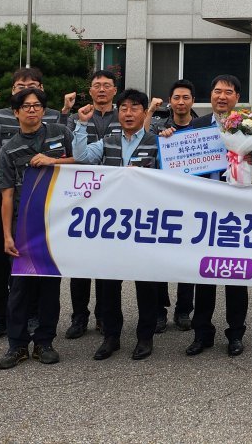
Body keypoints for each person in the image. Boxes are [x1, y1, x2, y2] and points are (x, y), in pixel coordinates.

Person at [0, 67, 66, 343]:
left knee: (35, 258)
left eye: (33, 85)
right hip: (4, 193)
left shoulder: (53, 116)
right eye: (20, 86)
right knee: (0, 257)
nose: (26, 90)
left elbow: (74, 156)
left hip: (45, 196)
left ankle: (32, 315)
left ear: (42, 92)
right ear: (12, 92)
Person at [71, 88, 165, 361]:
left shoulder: (155, 142)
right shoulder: (107, 142)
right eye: (123, 108)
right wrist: (81, 125)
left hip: (144, 224)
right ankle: (111, 336)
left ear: (144, 112)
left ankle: (145, 338)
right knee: (108, 284)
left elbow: (171, 178)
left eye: (135, 107)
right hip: (111, 226)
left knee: (146, 285)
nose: (128, 112)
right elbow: (81, 159)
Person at [185, 74, 252, 358]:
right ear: (210, 95)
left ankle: (235, 333)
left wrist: (245, 163)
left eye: (229, 92)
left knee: (236, 274)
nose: (222, 96)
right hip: (204, 211)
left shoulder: (249, 125)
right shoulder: (195, 126)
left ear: (237, 98)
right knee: (204, 273)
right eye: (217, 91)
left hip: (235, 212)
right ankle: (202, 333)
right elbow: (181, 163)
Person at [0, 87, 76, 369]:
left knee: (49, 288)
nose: (32, 109)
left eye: (37, 105)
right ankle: (17, 346)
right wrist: (7, 234)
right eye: (26, 106)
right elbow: (5, 196)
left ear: (44, 109)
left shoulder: (59, 134)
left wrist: (55, 160)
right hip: (24, 227)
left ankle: (44, 342)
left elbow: (82, 163)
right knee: (19, 289)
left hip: (56, 225)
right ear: (15, 112)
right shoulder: (8, 149)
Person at [64, 69, 123, 340]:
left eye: (107, 85)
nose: (101, 89)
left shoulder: (124, 117)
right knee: (81, 262)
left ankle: (103, 315)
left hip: (114, 202)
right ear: (90, 91)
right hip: (82, 199)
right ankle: (79, 316)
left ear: (114, 90)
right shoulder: (78, 118)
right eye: (97, 85)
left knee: (108, 263)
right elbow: (74, 156)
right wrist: (79, 122)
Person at [148, 79, 200, 331]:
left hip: (193, 204)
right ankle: (158, 311)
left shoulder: (203, 129)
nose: (181, 102)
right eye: (176, 98)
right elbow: (140, 141)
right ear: (171, 101)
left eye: (186, 98)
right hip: (163, 203)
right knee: (160, 260)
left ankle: (183, 311)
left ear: (192, 101)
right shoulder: (159, 127)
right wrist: (159, 137)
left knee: (187, 261)